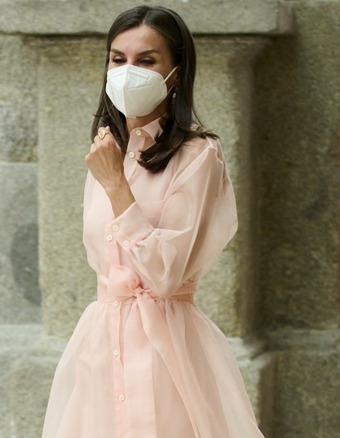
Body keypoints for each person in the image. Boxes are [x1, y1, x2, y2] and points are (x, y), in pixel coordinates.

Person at [41, 5, 265, 437]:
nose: (127, 71)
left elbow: (165, 273)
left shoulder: (198, 156)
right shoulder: (108, 152)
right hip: (101, 346)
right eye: (117, 58)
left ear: (175, 73)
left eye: (146, 60)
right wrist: (111, 175)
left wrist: (117, 189)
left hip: (168, 349)